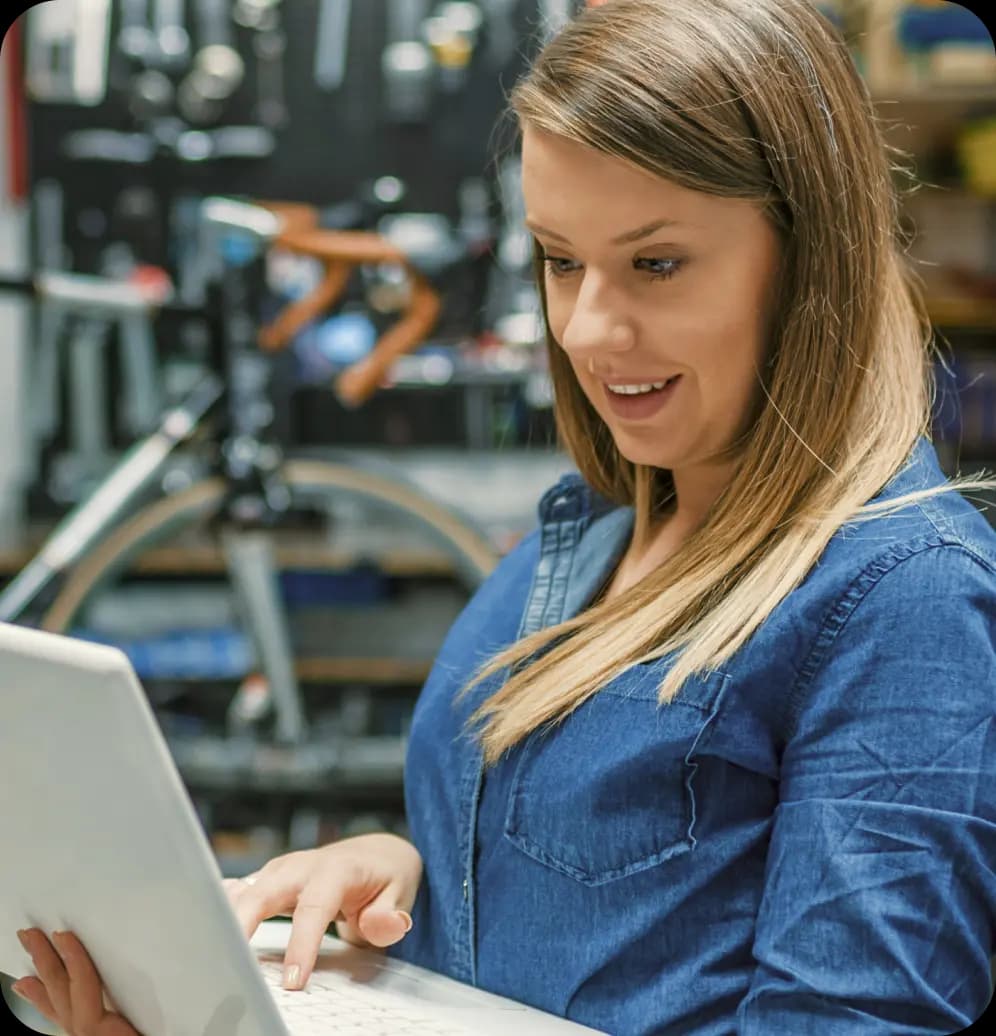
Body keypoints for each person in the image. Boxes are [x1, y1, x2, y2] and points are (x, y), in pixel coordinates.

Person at [11, 0, 996, 1033]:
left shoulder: (904, 598)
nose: (585, 327)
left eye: (655, 264)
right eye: (561, 259)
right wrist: (401, 890)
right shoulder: (587, 539)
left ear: (810, 256)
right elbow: (609, 923)